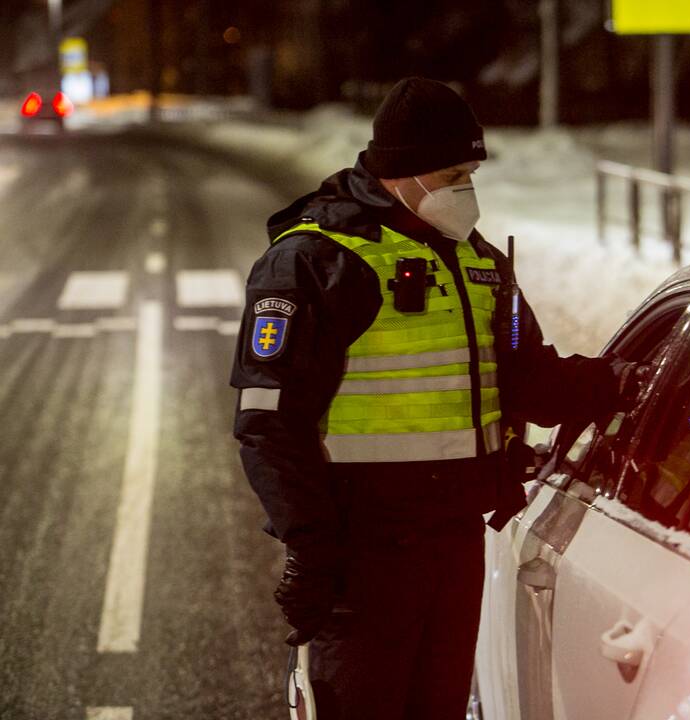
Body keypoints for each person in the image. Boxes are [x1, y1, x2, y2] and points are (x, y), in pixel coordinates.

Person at [230, 77, 638, 719]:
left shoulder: (475, 263)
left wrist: (618, 383)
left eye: (471, 172)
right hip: (361, 560)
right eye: (455, 173)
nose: (466, 190)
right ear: (405, 172)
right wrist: (310, 547)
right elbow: (267, 425)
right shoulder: (318, 260)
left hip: (453, 546)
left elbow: (527, 378)